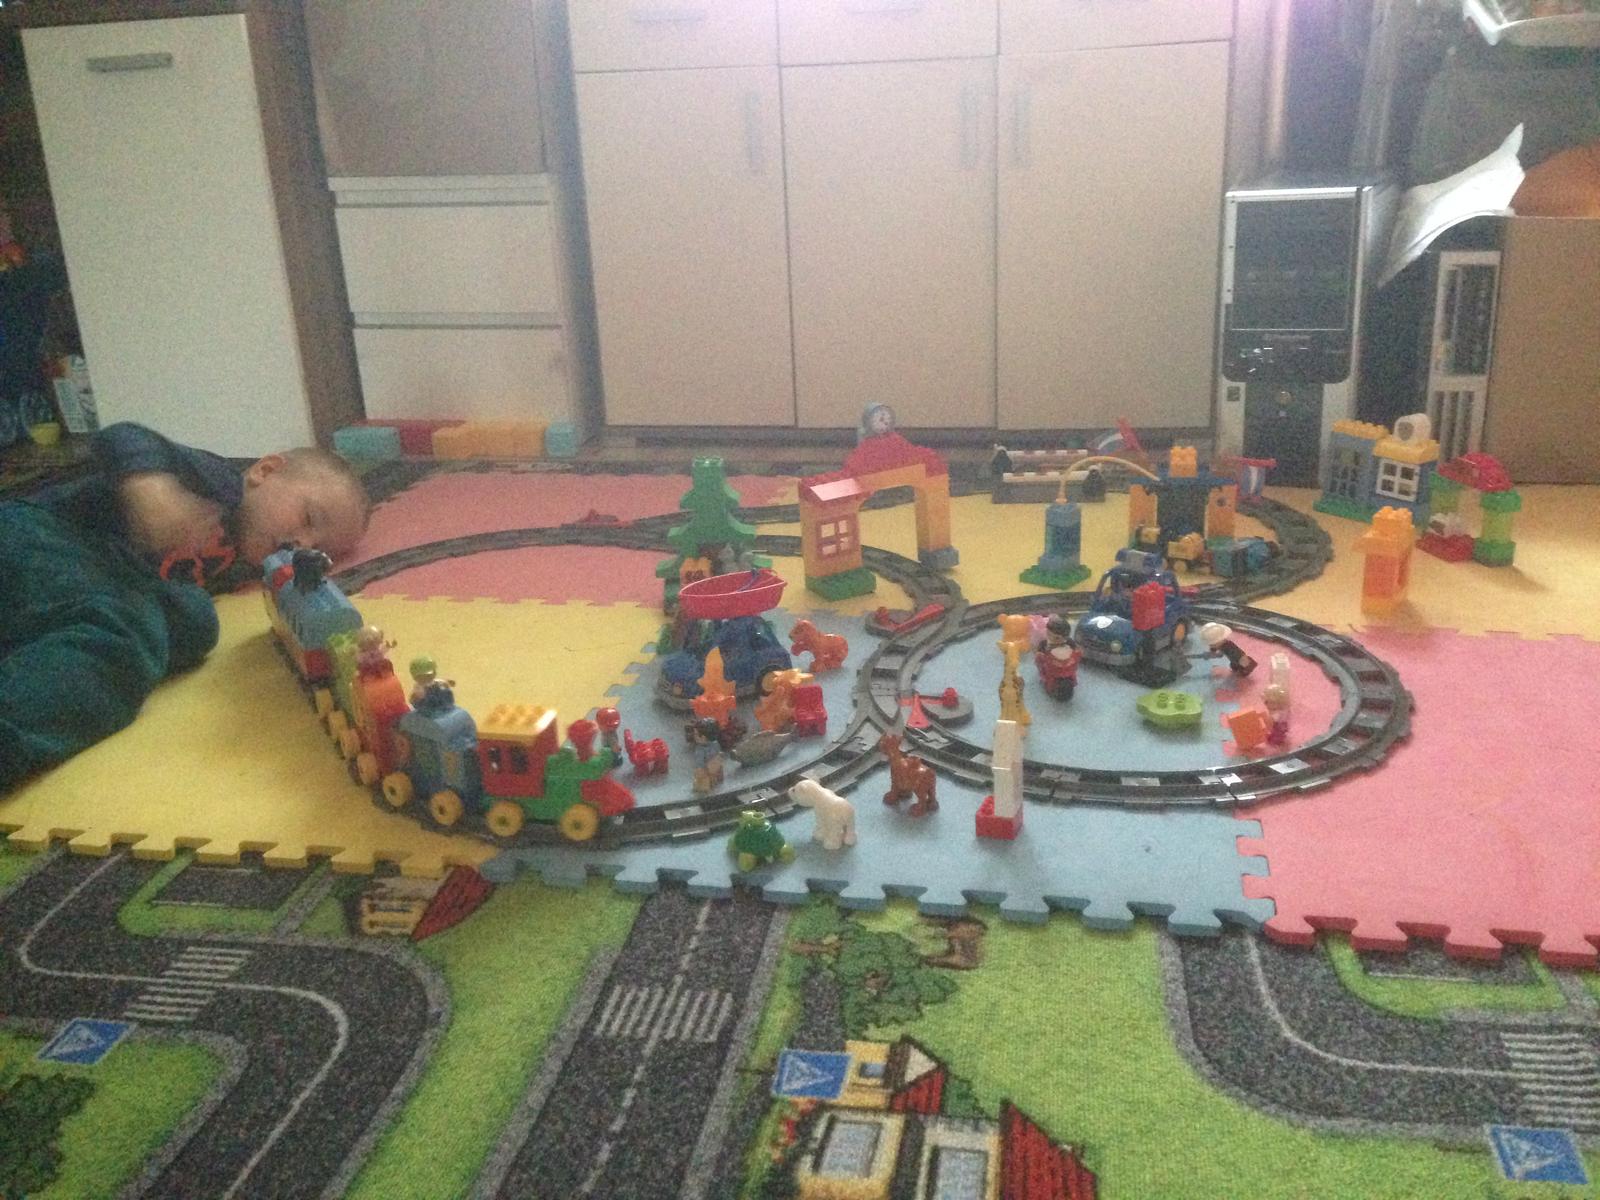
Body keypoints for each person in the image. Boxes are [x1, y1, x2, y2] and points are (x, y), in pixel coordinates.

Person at [0, 422, 369, 792]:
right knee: (131, 633)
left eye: (319, 548)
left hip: (83, 588)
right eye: (309, 518)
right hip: (45, 534)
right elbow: (122, 437)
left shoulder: (248, 559)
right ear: (265, 471)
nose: (303, 542)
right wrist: (151, 488)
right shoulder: (219, 483)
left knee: (194, 621)